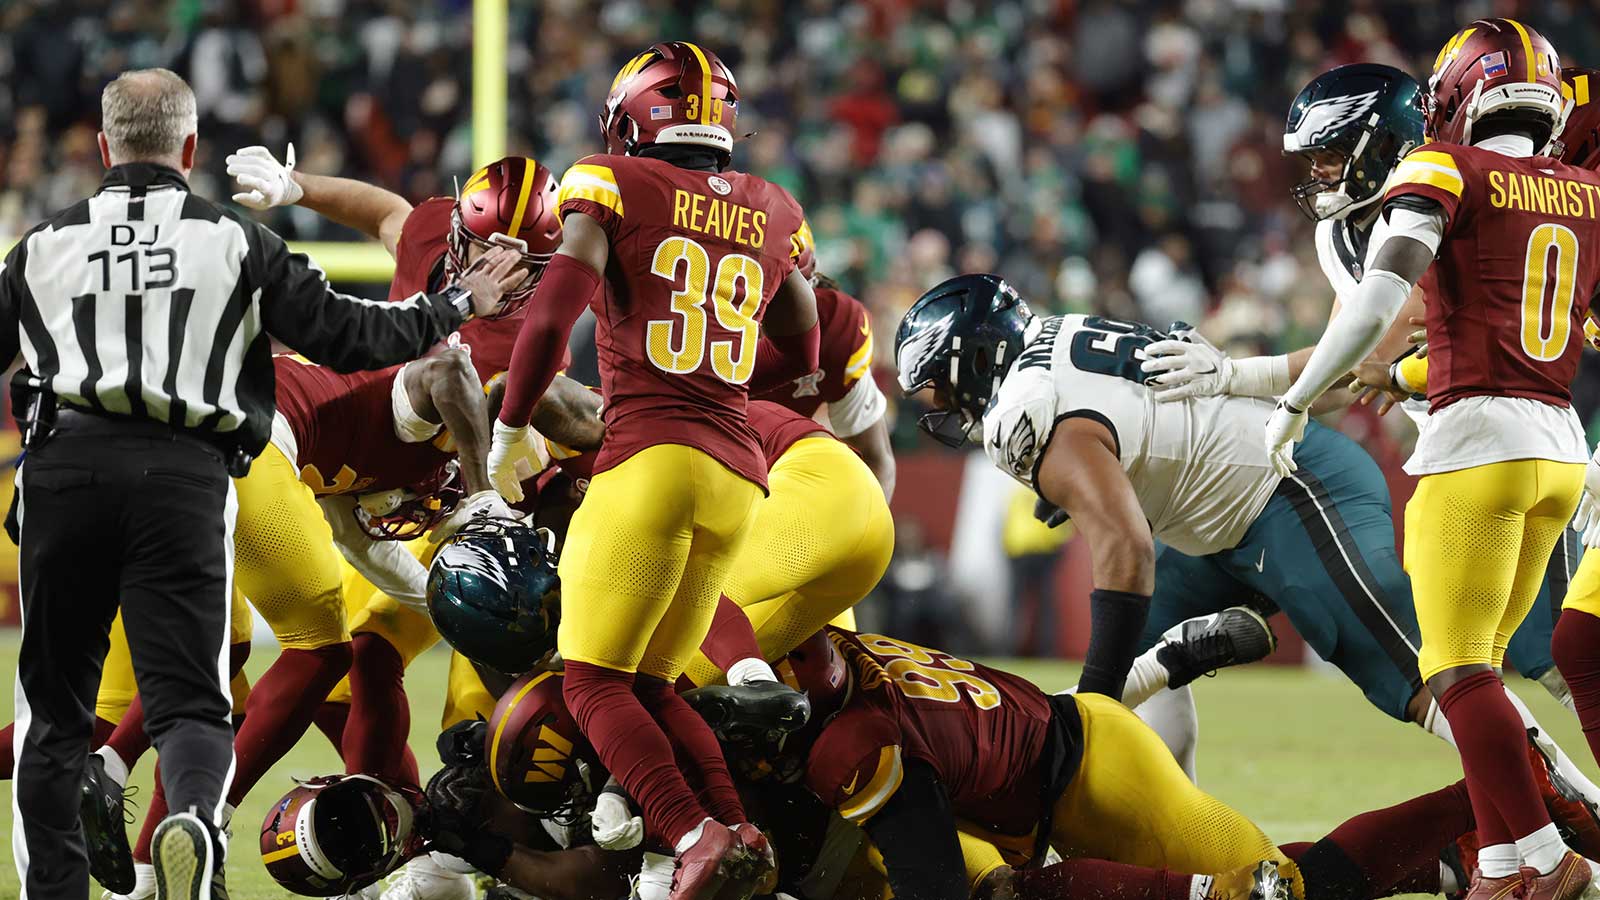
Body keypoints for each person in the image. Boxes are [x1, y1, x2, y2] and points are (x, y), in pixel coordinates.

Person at [1, 69, 516, 900]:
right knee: (202, 700)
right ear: (193, 149)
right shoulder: (234, 242)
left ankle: (59, 882)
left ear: (101, 150)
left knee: (54, 715)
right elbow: (354, 335)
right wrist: (455, 302)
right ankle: (193, 828)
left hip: (67, 468)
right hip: (188, 473)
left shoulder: (41, 246)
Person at [893, 275, 1600, 835]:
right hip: (1216, 526)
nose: (941, 408)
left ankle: (1579, 807)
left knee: (1429, 676)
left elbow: (1126, 548)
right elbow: (1131, 428)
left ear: (975, 358)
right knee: (1140, 649)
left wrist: (1096, 702)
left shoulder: (1026, 408)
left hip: (1288, 491)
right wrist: (1093, 476)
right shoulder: (1056, 337)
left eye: (939, 387)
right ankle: (1180, 823)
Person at [1266, 19, 1600, 900]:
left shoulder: (1443, 165)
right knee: (1488, 667)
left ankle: (1547, 857)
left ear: (1454, 95)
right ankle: (1498, 866)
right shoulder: (1583, 188)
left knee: (1454, 672)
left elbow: (1381, 296)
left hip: (1477, 449)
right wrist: (1409, 371)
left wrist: (1296, 395)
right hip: (1560, 449)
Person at [485, 41, 820, 899]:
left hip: (651, 459)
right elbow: (802, 331)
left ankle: (693, 833)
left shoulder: (611, 181)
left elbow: (552, 314)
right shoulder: (774, 207)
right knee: (655, 682)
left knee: (593, 681)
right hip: (737, 475)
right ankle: (737, 833)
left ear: (636, 112)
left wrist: (512, 425)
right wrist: (766, 387)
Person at [1143, 62, 1581, 716]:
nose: (1318, 172)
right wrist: (1218, 401)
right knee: (1479, 663)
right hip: (1470, 450)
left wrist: (1237, 375)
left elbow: (1370, 346)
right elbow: (1341, 378)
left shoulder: (1437, 203)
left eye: (1330, 155)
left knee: (1545, 660)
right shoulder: (1339, 231)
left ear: (1384, 145)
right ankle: (1544, 806)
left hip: (1514, 437)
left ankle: (1544, 807)